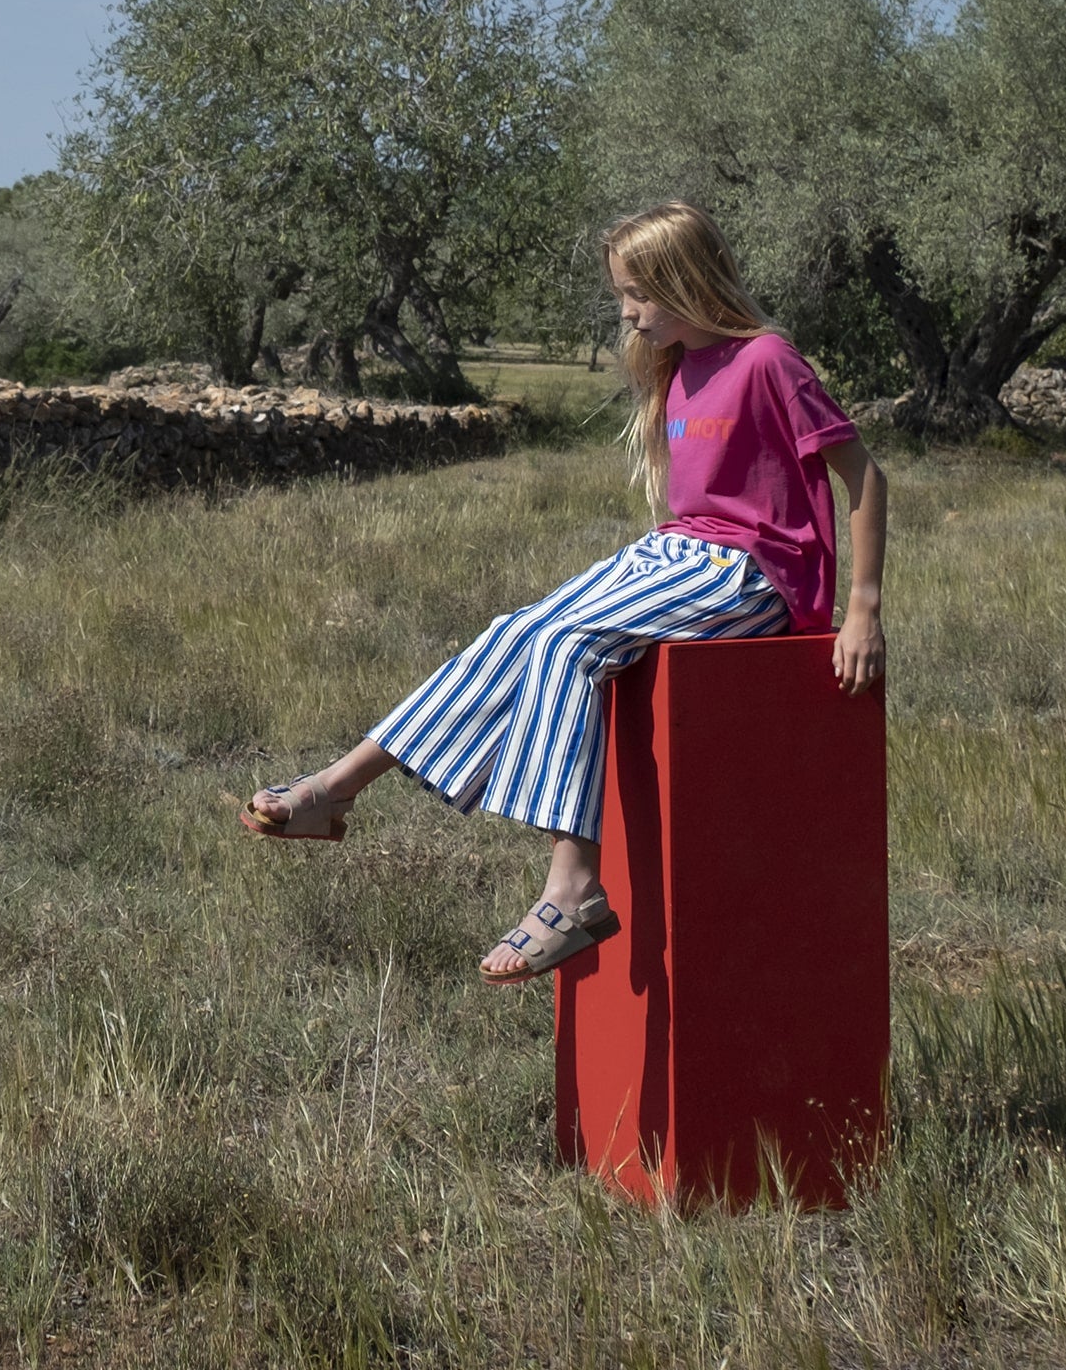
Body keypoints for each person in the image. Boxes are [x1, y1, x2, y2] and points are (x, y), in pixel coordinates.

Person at [241, 199, 888, 983]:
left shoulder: (768, 360)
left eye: (637, 294)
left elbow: (862, 475)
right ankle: (333, 792)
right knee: (516, 630)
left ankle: (573, 887)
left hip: (756, 573)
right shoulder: (679, 368)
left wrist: (862, 610)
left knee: (565, 645)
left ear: (686, 281)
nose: (627, 312)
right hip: (675, 552)